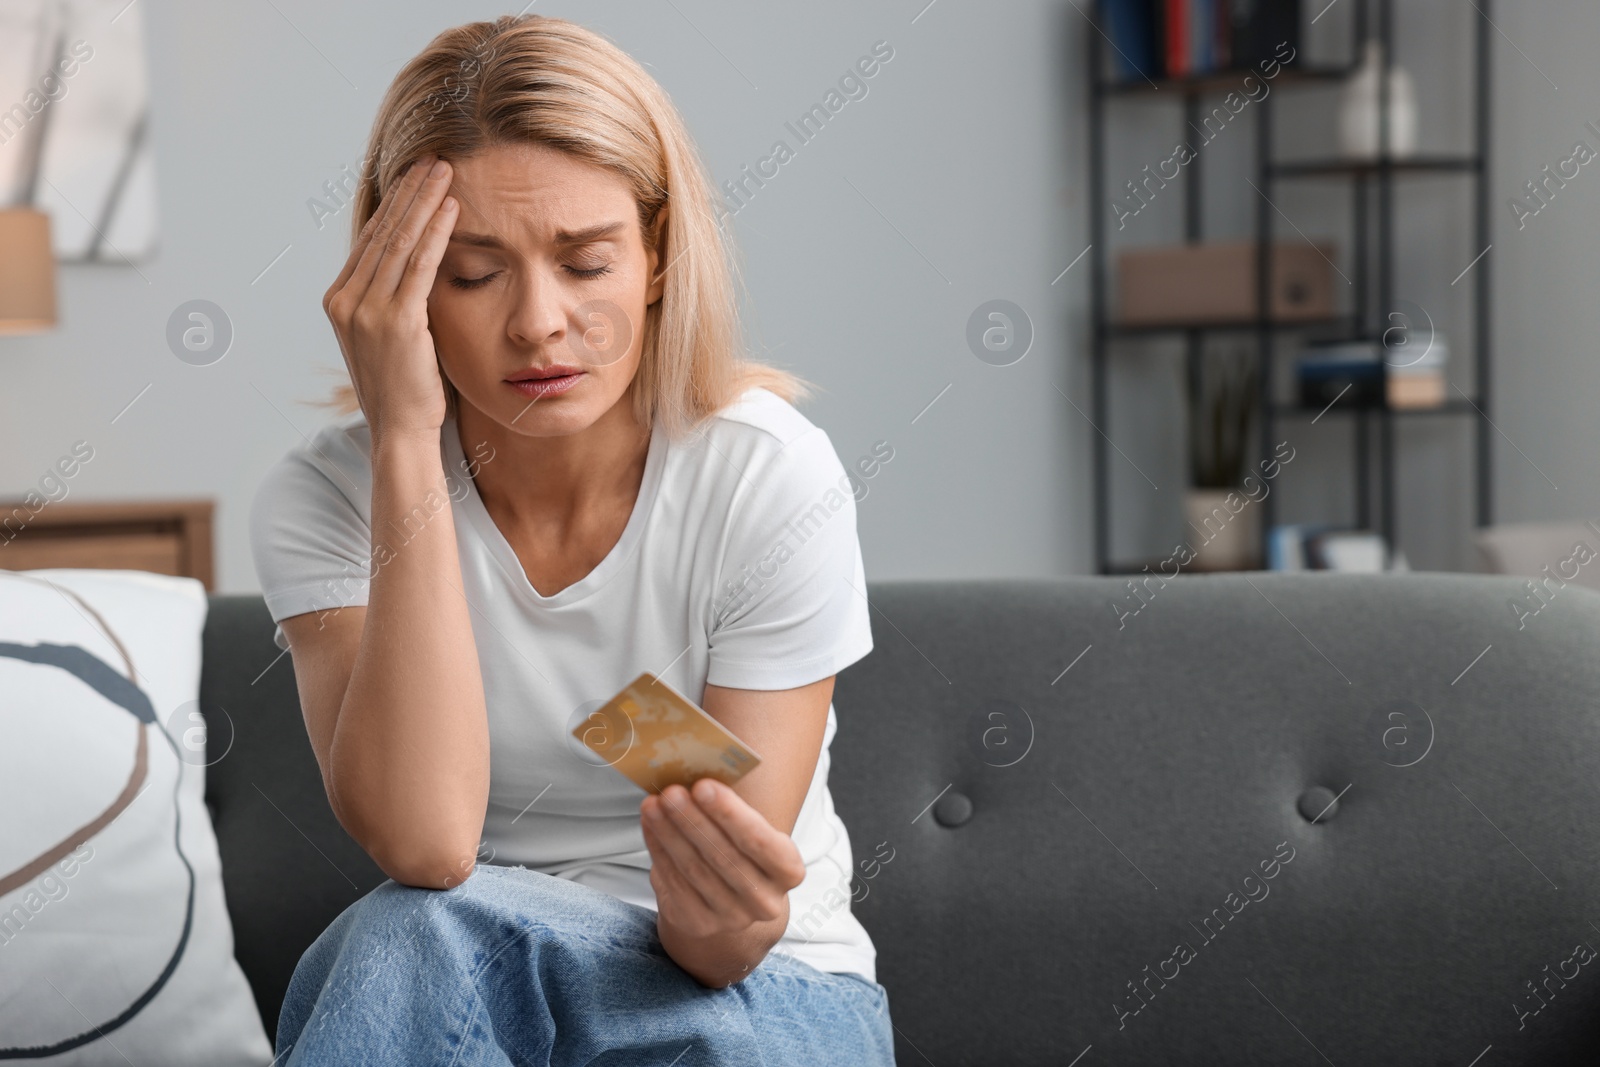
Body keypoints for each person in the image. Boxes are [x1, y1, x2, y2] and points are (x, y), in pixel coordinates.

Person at [248, 13, 896, 1066]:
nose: (539, 322)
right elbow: (426, 843)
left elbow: (724, 937)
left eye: (586, 262)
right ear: (394, 284)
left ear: (655, 255)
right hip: (471, 992)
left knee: (412, 939)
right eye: (471, 273)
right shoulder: (323, 497)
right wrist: (404, 441)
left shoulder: (765, 474)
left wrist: (718, 915)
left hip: (760, 991)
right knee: (409, 928)